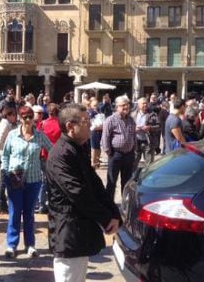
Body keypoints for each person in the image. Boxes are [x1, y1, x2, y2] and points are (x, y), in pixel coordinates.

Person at [46, 103, 121, 282]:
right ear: (71, 126)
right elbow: (77, 193)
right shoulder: (61, 154)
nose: (91, 125)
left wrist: (113, 212)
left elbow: (94, 184)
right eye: (86, 121)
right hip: (68, 231)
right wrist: (104, 217)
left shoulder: (78, 148)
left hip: (80, 230)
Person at [1, 105, 52, 258]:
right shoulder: (12, 135)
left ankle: (30, 245)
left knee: (29, 214)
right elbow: (5, 156)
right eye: (25, 117)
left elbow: (53, 149)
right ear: (20, 118)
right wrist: (5, 174)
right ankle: (12, 245)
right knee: (15, 212)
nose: (28, 120)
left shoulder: (40, 136)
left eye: (31, 116)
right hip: (15, 180)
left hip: (34, 180)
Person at [101, 95, 136, 200]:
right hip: (116, 155)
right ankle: (109, 206)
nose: (126, 107)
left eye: (127, 105)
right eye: (123, 105)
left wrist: (134, 149)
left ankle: (125, 204)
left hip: (129, 155)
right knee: (111, 182)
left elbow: (134, 135)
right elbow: (105, 137)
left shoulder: (131, 120)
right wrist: (109, 152)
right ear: (117, 107)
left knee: (127, 183)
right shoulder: (110, 120)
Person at [0, 107, 18, 214]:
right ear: (8, 115)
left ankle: (3, 203)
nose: (15, 117)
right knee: (3, 181)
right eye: (13, 115)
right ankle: (1, 204)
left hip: (6, 155)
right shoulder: (5, 125)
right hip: (3, 155)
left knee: (5, 180)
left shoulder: (8, 124)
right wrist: (10, 148)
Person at [131, 97, 155, 168]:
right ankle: (133, 177)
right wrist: (134, 129)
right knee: (133, 162)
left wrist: (149, 127)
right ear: (138, 105)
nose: (145, 105)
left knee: (149, 164)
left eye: (146, 103)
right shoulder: (133, 115)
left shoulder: (152, 114)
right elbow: (127, 127)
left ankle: (149, 178)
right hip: (136, 142)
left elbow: (158, 126)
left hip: (148, 142)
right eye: (143, 103)